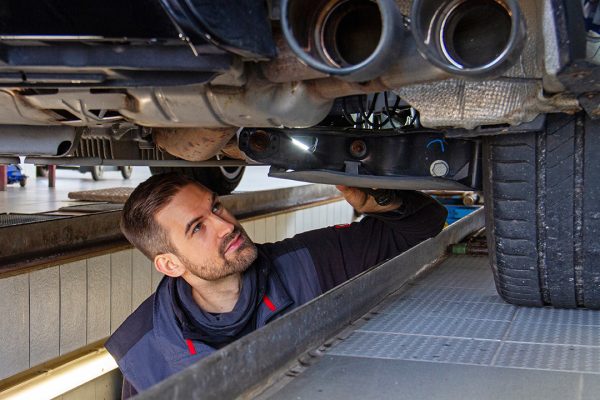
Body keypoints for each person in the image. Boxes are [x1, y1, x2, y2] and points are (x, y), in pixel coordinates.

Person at [105, 173, 447, 397]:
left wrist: (383, 200)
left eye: (217, 208)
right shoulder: (143, 348)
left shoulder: (308, 262)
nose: (226, 226)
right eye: (197, 228)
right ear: (170, 264)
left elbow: (423, 226)